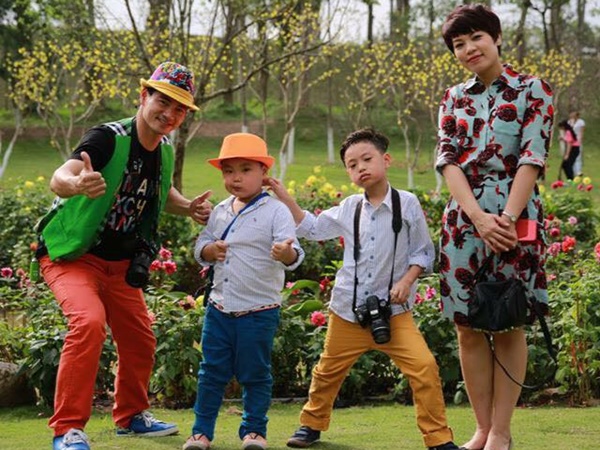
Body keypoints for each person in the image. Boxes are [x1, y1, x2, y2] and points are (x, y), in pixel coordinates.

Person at [36, 61, 213, 450]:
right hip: (73, 256)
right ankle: (67, 429)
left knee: (139, 336)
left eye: (179, 108)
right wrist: (77, 184)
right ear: (144, 96)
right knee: (88, 323)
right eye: (163, 101)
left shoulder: (164, 148)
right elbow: (59, 177)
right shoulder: (107, 138)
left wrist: (188, 208)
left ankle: (131, 417)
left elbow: (160, 192)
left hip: (119, 265)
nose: (169, 114)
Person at [268, 128, 459, 450]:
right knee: (327, 371)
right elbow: (311, 228)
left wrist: (406, 281)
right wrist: (283, 194)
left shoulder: (407, 203)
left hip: (393, 313)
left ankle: (438, 439)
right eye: (352, 165)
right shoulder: (349, 207)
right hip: (347, 310)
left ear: (386, 160)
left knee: (424, 368)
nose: (361, 168)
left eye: (367, 159)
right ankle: (310, 426)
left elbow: (424, 253)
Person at [437, 4, 553, 450]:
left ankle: (502, 432)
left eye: (476, 38)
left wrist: (504, 218)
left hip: (514, 219)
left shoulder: (532, 90)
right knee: (467, 326)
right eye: (458, 44)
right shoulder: (453, 98)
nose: (469, 48)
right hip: (464, 220)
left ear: (497, 38)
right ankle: (482, 428)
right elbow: (447, 160)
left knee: (508, 321)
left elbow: (532, 157)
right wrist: (478, 218)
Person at [184, 133, 305, 450]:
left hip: (259, 311)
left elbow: (295, 253)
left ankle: (253, 432)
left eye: (245, 169)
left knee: (255, 374)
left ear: (263, 172)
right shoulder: (220, 211)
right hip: (219, 309)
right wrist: (209, 250)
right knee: (210, 373)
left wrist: (285, 253)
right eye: (228, 171)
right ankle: (201, 433)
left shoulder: (276, 211)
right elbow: (200, 247)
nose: (235, 178)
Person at [568, 110, 585, 176]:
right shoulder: (569, 122)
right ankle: (572, 171)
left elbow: (582, 132)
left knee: (578, 156)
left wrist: (580, 140)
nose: (572, 115)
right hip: (570, 141)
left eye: (574, 114)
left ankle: (578, 171)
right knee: (571, 156)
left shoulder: (581, 122)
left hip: (577, 141)